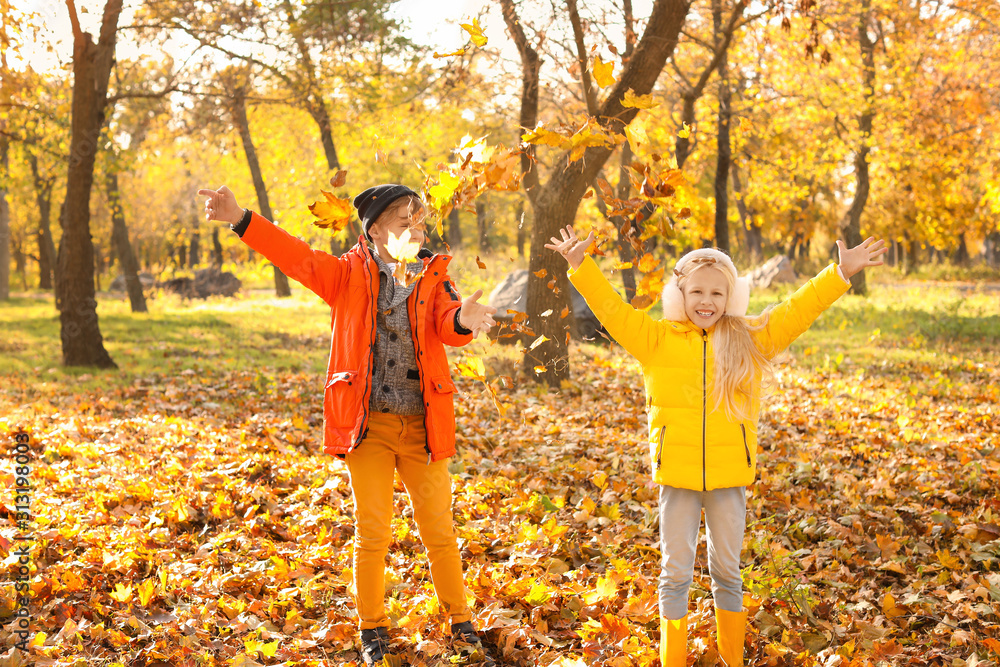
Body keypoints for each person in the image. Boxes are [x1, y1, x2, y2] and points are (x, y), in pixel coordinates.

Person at [546, 227, 886, 667]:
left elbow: (797, 310)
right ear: (679, 293)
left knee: (727, 573)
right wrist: (581, 265)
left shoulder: (749, 338)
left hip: (728, 480)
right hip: (678, 480)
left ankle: (732, 660)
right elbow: (611, 310)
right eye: (697, 292)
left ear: (732, 298)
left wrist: (840, 273)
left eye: (717, 293)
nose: (706, 301)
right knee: (675, 575)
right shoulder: (655, 340)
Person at [198, 183, 498, 666]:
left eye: (418, 220)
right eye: (404, 220)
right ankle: (373, 629)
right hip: (368, 426)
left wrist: (463, 318)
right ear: (375, 228)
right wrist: (241, 218)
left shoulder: (435, 274)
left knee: (439, 528)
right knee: (374, 531)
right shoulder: (346, 273)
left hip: (422, 427)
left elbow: (448, 325)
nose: (415, 228)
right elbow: (294, 257)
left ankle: (460, 623)